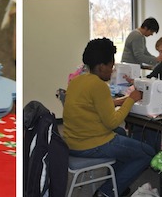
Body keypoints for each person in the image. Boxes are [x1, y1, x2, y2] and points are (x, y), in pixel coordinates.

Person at [63, 38, 154, 197]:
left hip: (72, 141)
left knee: (122, 133)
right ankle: (107, 192)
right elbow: (112, 121)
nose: (112, 71)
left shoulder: (77, 81)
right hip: (91, 144)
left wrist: (123, 100)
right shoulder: (98, 85)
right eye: (111, 66)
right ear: (101, 66)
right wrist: (131, 99)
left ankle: (118, 184)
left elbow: (98, 104)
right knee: (147, 152)